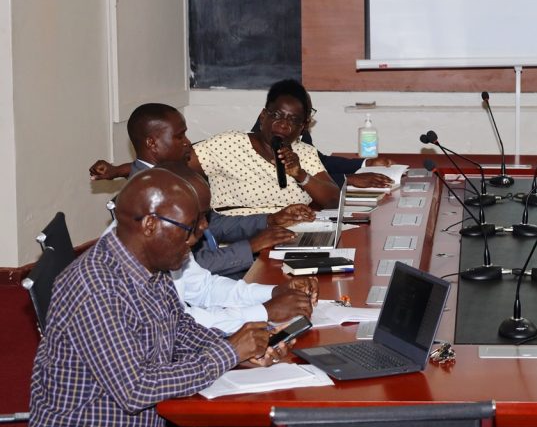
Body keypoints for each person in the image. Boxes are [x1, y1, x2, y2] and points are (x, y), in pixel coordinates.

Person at [22, 169, 272, 427]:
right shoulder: (95, 287)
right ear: (150, 225)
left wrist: (236, 350)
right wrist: (227, 352)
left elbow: (179, 326)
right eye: (192, 227)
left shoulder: (151, 266)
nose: (201, 233)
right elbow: (136, 388)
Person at [89, 102, 311, 276]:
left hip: (216, 273)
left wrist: (270, 220)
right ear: (152, 144)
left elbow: (214, 223)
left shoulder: (171, 176)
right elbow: (188, 267)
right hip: (205, 283)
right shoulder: (150, 195)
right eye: (179, 136)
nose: (188, 142)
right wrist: (251, 246)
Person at [159, 162, 318, 334]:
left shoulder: (173, 240)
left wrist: (275, 292)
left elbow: (205, 288)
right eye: (197, 219)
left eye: (205, 216)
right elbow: (183, 326)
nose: (205, 226)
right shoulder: (133, 272)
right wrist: (265, 312)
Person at [191, 80, 392, 214]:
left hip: (294, 239)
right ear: (263, 116)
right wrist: (200, 210)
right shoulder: (229, 144)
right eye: (277, 116)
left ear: (302, 128)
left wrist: (300, 174)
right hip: (244, 242)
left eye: (293, 120)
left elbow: (333, 201)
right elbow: (176, 166)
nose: (283, 125)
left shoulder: (304, 153)